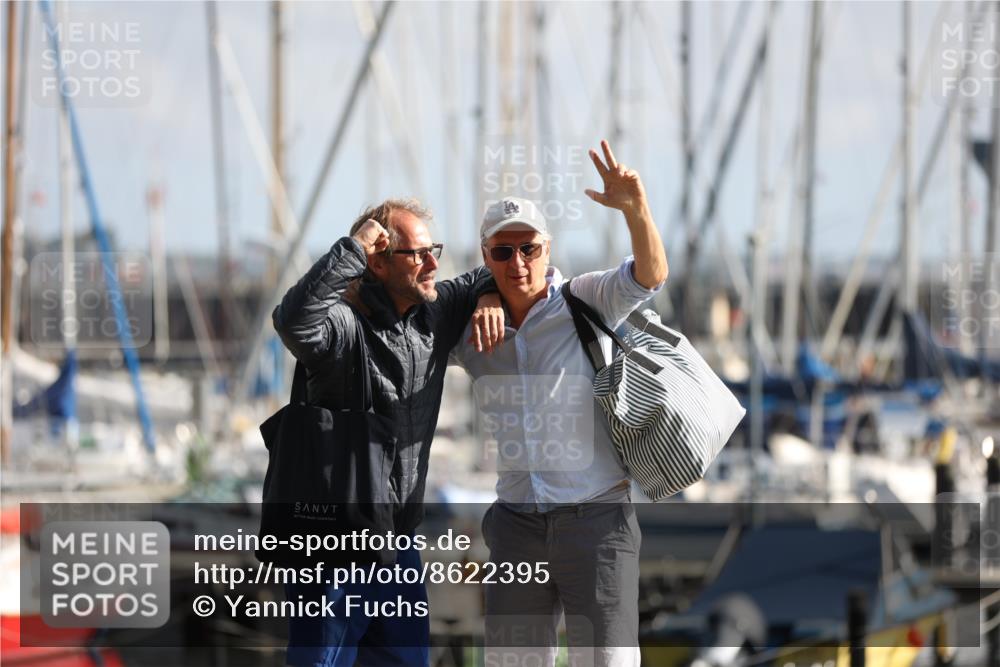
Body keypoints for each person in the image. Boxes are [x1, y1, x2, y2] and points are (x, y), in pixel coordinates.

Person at [452, 141, 668, 667]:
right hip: (517, 523)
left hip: (596, 517)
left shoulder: (585, 298)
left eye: (529, 249)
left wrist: (637, 210)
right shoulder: (469, 326)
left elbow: (650, 274)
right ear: (486, 258)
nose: (518, 262)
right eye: (502, 252)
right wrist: (480, 292)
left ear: (547, 249)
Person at [271, 198, 503, 667]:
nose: (433, 263)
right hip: (333, 551)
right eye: (418, 254)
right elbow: (293, 321)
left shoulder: (433, 316)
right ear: (377, 260)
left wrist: (489, 296)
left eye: (433, 249)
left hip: (399, 547)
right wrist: (351, 248)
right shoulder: (342, 327)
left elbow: (494, 270)